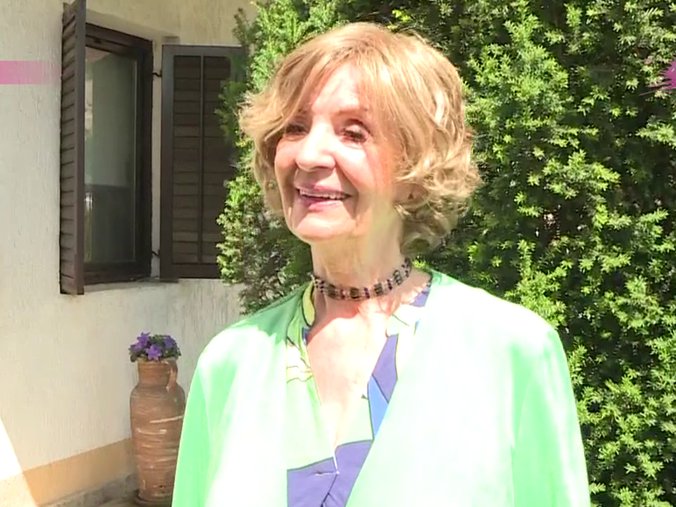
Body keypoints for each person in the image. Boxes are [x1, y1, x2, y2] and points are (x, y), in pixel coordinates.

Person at [172, 22, 590, 507]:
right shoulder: (230, 363)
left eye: (354, 132)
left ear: (416, 170)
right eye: (295, 128)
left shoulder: (512, 353)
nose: (308, 154)